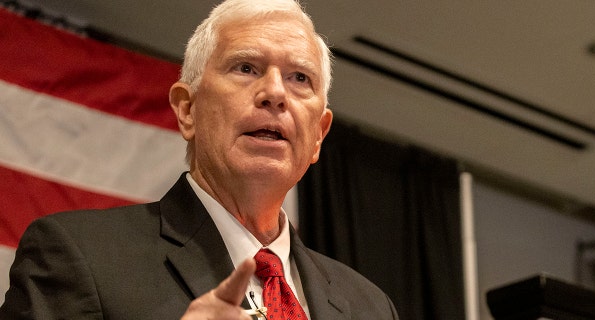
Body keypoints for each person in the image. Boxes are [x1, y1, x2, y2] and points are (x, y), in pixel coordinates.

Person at [0, 0, 399, 319]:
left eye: (300, 78)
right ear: (187, 110)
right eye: (247, 67)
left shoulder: (369, 307)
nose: (275, 93)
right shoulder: (80, 256)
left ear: (318, 136)